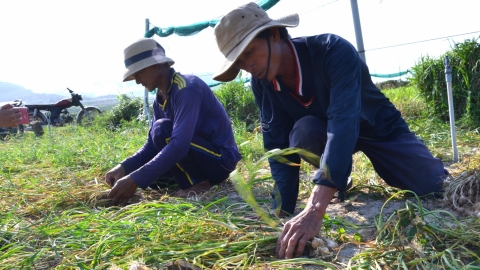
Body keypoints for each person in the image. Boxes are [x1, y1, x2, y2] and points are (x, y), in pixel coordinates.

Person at [212, 2, 449, 259]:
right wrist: (281, 211)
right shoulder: (264, 83)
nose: (248, 66)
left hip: (377, 129)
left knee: (434, 185)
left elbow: (343, 122)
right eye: (240, 62)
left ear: (274, 34)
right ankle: (339, 178)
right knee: (301, 133)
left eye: (249, 52)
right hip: (322, 135)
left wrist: (315, 207)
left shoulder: (332, 51)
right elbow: (277, 146)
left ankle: (334, 178)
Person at [105, 38, 241, 205]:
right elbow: (152, 146)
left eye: (138, 73)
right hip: (198, 158)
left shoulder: (187, 89)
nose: (138, 81)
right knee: (151, 180)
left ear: (155, 65)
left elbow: (179, 145)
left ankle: (199, 183)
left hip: (221, 161)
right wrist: (124, 168)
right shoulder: (160, 98)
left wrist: (134, 179)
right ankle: (189, 179)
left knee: (161, 130)